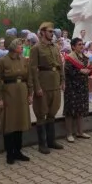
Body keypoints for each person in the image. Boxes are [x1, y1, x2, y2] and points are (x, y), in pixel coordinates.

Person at [0, 38, 32, 164]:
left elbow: (28, 77)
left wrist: (30, 93)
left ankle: (18, 151)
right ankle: (10, 153)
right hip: (8, 94)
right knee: (9, 124)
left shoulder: (23, 60)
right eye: (19, 44)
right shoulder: (3, 61)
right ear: (13, 46)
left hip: (22, 93)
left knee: (20, 122)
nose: (22, 46)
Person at [29, 22, 65, 154]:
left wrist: (62, 80)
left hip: (55, 84)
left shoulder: (55, 47)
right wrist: (36, 87)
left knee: (52, 113)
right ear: (43, 32)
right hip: (43, 85)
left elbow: (60, 64)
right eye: (50, 31)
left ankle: (51, 141)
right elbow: (33, 69)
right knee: (41, 113)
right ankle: (42, 143)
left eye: (53, 32)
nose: (52, 33)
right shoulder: (36, 48)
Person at [63, 37, 91, 142]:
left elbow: (88, 69)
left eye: (82, 44)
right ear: (73, 47)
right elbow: (68, 71)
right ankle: (69, 134)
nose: (81, 46)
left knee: (81, 109)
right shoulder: (69, 58)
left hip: (82, 87)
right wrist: (81, 71)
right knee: (70, 111)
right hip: (72, 88)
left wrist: (89, 70)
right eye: (79, 44)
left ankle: (80, 132)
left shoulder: (84, 57)